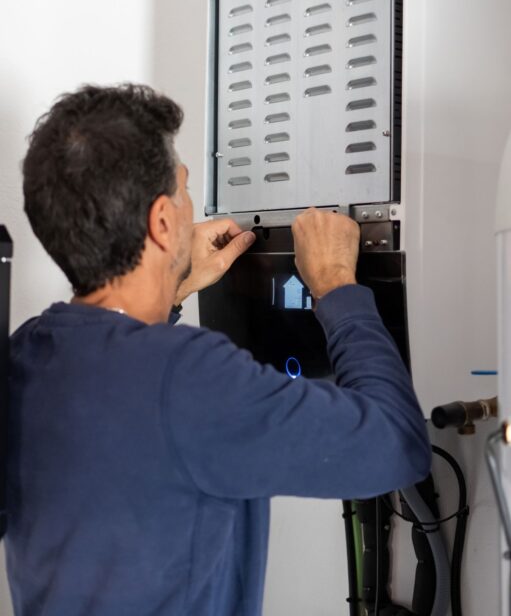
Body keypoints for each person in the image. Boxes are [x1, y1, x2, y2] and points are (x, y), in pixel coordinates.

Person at [6, 84, 431, 616]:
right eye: (183, 192)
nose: (191, 209)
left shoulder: (27, 353)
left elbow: (122, 393)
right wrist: (336, 285)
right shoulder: (190, 377)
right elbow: (396, 445)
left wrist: (173, 285)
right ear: (162, 223)